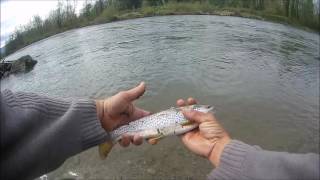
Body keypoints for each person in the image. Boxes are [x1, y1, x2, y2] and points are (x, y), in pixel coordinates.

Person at [0, 82, 319, 180]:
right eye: (204, 110)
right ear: (199, 113)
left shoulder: (194, 122)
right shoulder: (192, 117)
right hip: (149, 126)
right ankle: (108, 138)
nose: (206, 112)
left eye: (204, 110)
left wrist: (219, 146)